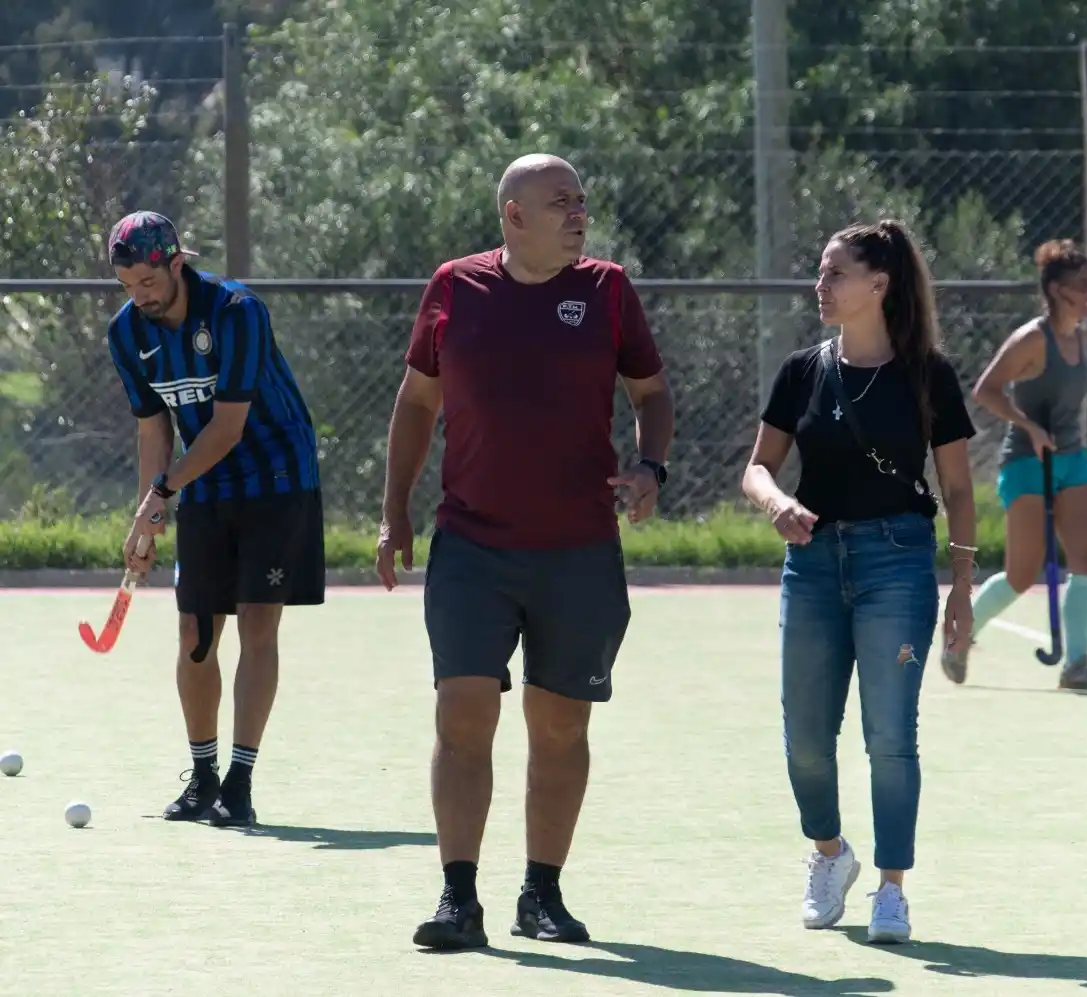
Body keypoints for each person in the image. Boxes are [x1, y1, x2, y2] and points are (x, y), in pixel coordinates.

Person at [376, 153, 675, 951]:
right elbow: (415, 401)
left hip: (579, 550)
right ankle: (456, 896)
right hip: (471, 544)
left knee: (558, 727)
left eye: (581, 200)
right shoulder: (453, 288)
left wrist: (650, 467)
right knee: (463, 714)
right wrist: (393, 510)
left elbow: (650, 392)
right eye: (560, 202)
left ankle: (540, 894)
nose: (578, 213)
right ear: (514, 215)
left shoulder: (608, 289)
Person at [741, 219, 977, 944]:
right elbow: (755, 467)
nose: (821, 284)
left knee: (888, 736)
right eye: (820, 271)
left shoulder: (927, 376)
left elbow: (959, 491)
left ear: (878, 285)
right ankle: (828, 854)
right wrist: (776, 503)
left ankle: (892, 890)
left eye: (834, 273)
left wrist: (961, 589)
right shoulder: (801, 370)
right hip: (810, 566)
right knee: (805, 740)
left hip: (896, 563)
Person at [105, 210, 325, 828]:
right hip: (202, 483)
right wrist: (147, 513)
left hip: (277, 479)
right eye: (128, 287)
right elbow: (155, 425)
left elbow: (227, 430)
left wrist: (164, 490)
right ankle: (202, 778)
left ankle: (240, 780)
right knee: (195, 637)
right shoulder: (127, 332)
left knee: (258, 623)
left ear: (176, 263)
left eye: (148, 282)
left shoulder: (236, 311)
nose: (140, 297)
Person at [944, 239, 1087, 692]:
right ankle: (959, 636)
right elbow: (986, 390)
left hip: (1072, 460)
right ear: (1058, 290)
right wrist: (1030, 427)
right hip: (1026, 462)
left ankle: (1077, 664)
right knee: (1023, 574)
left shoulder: (1079, 337)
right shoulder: (1031, 340)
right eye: (1085, 286)